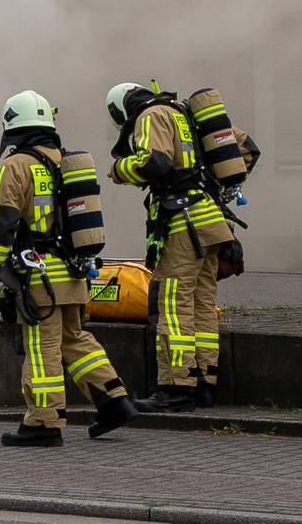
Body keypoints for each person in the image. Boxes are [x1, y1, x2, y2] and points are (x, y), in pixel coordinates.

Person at [0, 92, 135, 444]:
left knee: (42, 347)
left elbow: (1, 225)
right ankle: (114, 400)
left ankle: (43, 423)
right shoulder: (63, 160)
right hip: (72, 271)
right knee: (74, 339)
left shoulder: (15, 166)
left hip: (39, 279)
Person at [108, 82, 235, 411]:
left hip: (182, 224)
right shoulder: (185, 114)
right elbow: (243, 148)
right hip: (210, 220)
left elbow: (156, 163)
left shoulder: (151, 116)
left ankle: (176, 386)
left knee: (173, 305)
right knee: (202, 304)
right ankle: (205, 383)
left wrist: (119, 169)